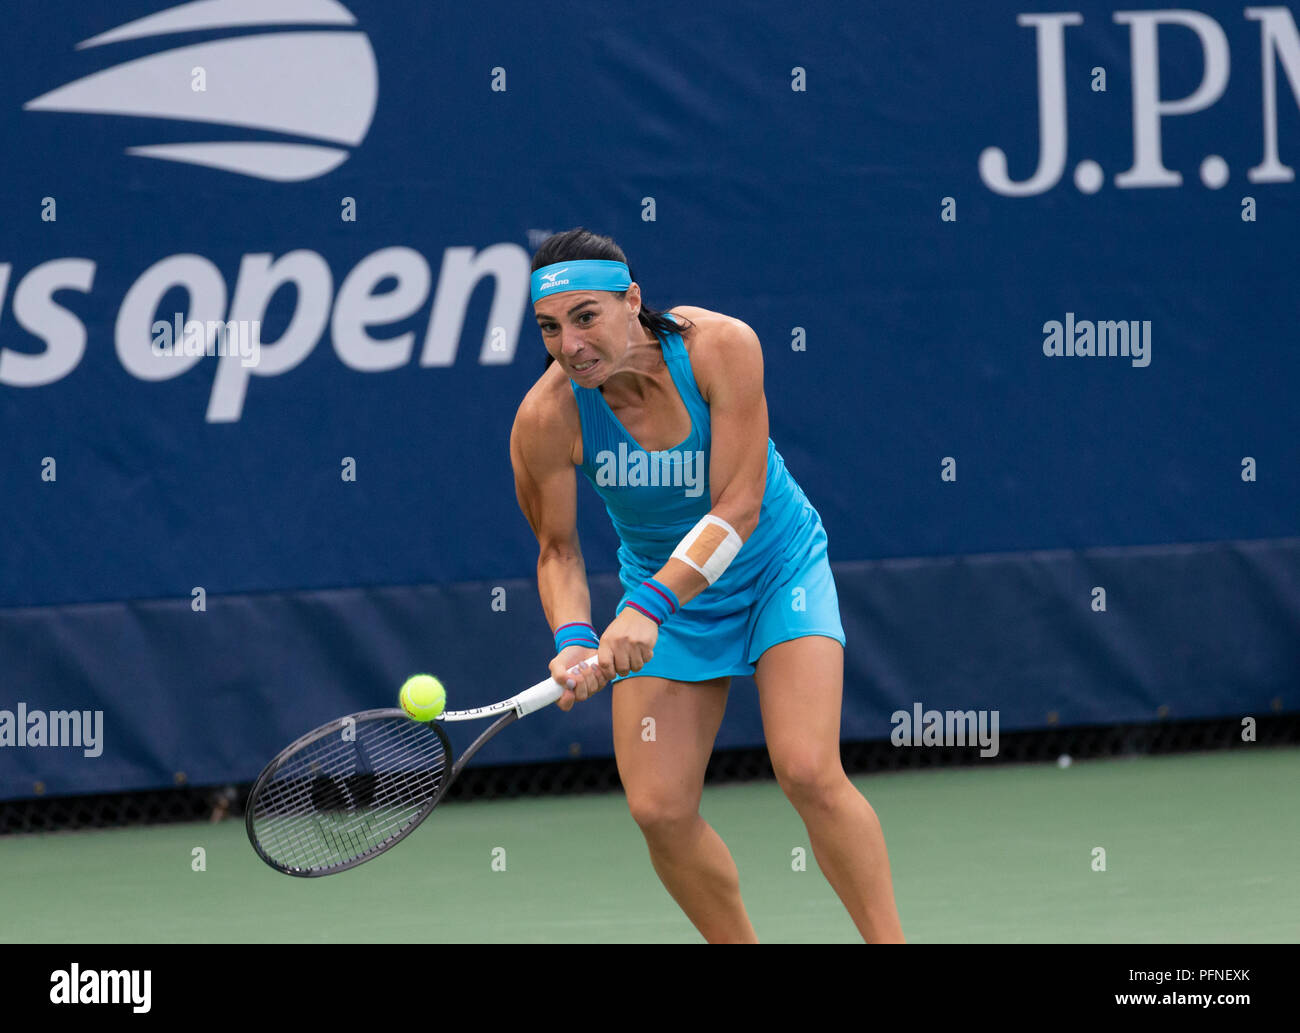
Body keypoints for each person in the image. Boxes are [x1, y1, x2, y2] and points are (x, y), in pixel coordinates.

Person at [509, 227, 904, 943]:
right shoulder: (547, 417)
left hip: (773, 567)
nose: (568, 345)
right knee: (659, 809)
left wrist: (648, 605)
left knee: (809, 769)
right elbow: (558, 550)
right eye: (549, 328)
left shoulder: (722, 347)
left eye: (585, 316)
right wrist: (571, 638)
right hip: (662, 604)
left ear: (632, 300)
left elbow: (739, 506)